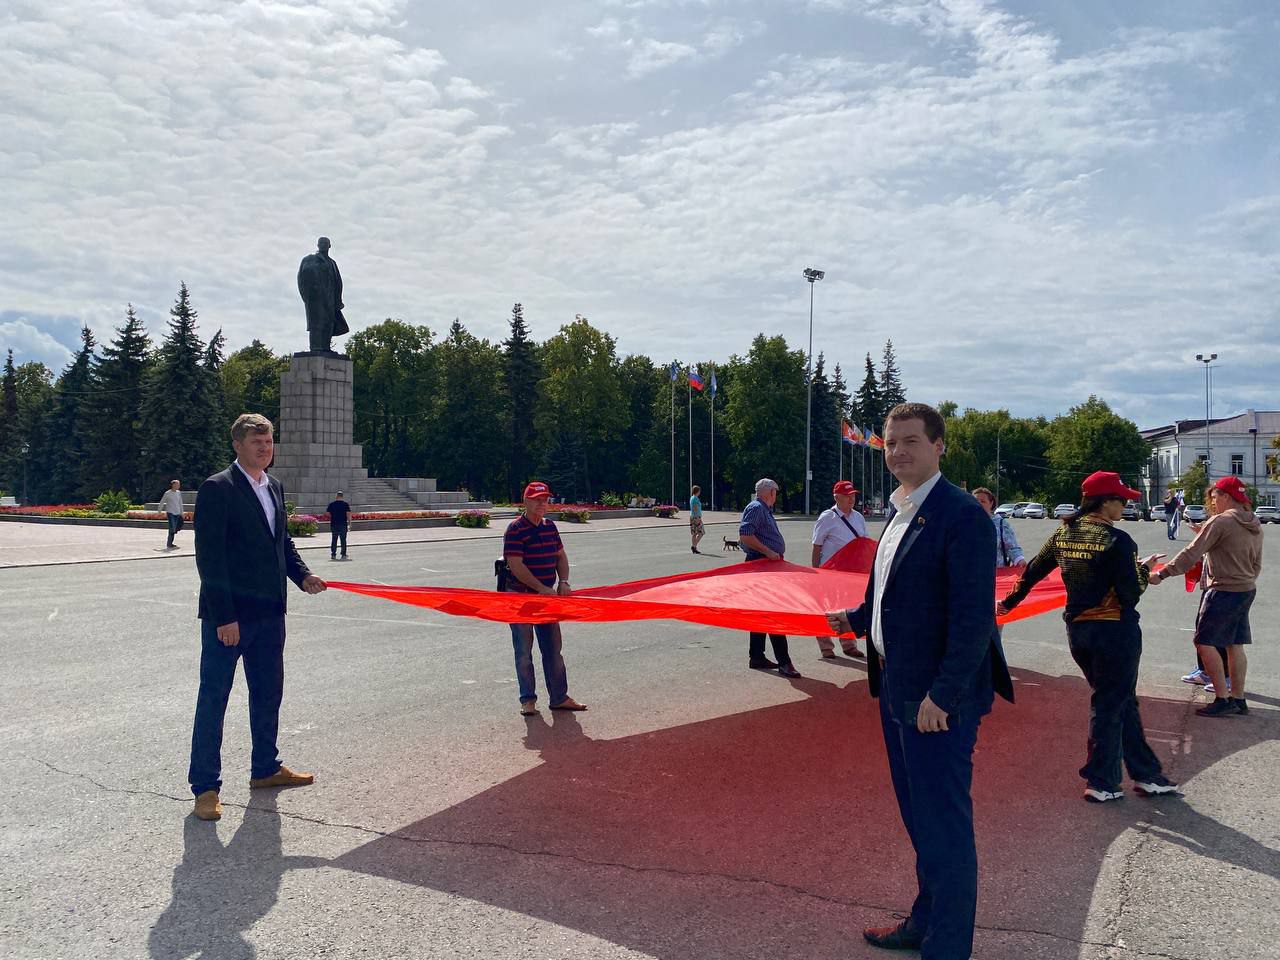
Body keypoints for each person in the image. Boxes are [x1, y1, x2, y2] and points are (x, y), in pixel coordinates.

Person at [826, 403, 1012, 960]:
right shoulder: (900, 510)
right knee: (920, 818)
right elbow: (895, 590)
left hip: (936, 702)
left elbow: (973, 619)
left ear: (939, 447)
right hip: (896, 688)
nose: (898, 452)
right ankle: (925, 921)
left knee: (945, 826)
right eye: (890, 443)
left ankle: (948, 947)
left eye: (911, 441)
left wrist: (943, 696)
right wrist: (858, 621)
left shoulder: (962, 516)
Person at [999, 471, 1176, 804]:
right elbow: (1130, 592)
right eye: (1121, 499)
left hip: (1079, 632)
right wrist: (1142, 572)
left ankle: (1147, 774)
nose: (1124, 505)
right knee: (1110, 703)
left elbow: (1031, 572)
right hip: (1115, 631)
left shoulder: (1064, 532)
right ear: (1104, 501)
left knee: (1120, 699)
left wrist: (1007, 604)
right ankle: (1102, 781)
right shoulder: (1118, 540)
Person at [189, 413, 327, 822]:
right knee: (213, 700)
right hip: (229, 619)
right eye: (256, 442)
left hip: (270, 614)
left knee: (268, 694)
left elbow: (280, 540)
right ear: (238, 445)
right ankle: (205, 787)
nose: (265, 448)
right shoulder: (218, 488)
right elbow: (210, 558)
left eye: (268, 442)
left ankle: (265, 768)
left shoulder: (274, 486)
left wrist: (302, 576)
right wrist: (225, 616)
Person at [1149, 476, 1263, 717]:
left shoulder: (1221, 521)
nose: (1213, 503)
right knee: (1234, 644)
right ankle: (1238, 698)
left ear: (1225, 496)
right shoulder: (1253, 521)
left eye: (1215, 498)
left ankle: (1222, 698)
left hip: (1223, 589)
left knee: (1204, 642)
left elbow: (1193, 551)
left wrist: (1163, 573)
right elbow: (1254, 560)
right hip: (1245, 587)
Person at [503, 481, 587, 717]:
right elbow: (516, 565)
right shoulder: (515, 529)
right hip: (520, 597)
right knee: (523, 650)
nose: (542, 503)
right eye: (537, 499)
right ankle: (528, 700)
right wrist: (540, 587)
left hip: (546, 596)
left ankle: (559, 697)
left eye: (545, 499)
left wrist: (564, 581)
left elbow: (560, 556)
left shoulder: (550, 527)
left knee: (553, 649)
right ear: (526, 502)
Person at [739, 478, 800, 678]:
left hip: (765, 563)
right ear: (770, 492)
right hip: (761, 563)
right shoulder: (757, 508)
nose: (777, 496)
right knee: (774, 612)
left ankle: (756, 655)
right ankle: (784, 661)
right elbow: (745, 535)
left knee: (761, 612)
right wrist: (768, 551)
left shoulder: (762, 509)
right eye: (776, 492)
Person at [811, 480, 867, 658]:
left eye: (853, 496)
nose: (851, 500)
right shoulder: (828, 517)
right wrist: (816, 571)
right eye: (847, 496)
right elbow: (817, 545)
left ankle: (849, 645)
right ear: (837, 498)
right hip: (830, 572)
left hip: (851, 572)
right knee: (826, 608)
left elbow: (863, 544)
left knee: (849, 608)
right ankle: (826, 648)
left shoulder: (858, 517)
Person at [296, 236, 349, 354]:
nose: (323, 244)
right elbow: (301, 278)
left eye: (325, 243)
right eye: (321, 243)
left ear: (330, 246)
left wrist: (338, 300)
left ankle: (326, 347)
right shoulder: (310, 259)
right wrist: (308, 296)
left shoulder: (332, 263)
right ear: (317, 245)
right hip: (316, 298)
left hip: (330, 299)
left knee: (329, 323)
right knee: (317, 323)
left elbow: (338, 282)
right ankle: (315, 348)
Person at [972, 486, 1025, 571]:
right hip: (970, 575)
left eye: (983, 501)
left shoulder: (1001, 524)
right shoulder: (964, 523)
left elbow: (1012, 548)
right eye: (975, 501)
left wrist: (1019, 560)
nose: (978, 504)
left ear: (991, 503)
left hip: (996, 574)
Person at [160, 480, 185, 549]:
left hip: (177, 512)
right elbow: (162, 502)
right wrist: (159, 511)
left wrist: (182, 513)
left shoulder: (178, 493)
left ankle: (170, 543)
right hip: (170, 512)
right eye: (177, 484)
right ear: (173, 485)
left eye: (179, 484)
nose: (179, 486)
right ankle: (169, 543)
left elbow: (180, 503)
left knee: (174, 529)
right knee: (172, 528)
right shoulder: (167, 493)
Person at [327, 490, 351, 560]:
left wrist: (333, 516)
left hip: (334, 524)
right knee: (343, 540)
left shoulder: (332, 504)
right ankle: (343, 554)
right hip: (343, 524)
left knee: (334, 539)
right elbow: (348, 514)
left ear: (336, 496)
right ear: (342, 497)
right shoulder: (345, 504)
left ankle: (333, 554)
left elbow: (328, 513)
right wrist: (350, 523)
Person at [688, 484, 705, 553]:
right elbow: (695, 507)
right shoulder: (695, 498)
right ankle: (694, 546)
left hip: (692, 517)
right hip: (696, 517)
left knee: (694, 533)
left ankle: (694, 547)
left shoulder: (692, 497)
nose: (700, 492)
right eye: (699, 491)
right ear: (697, 491)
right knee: (701, 532)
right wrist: (698, 517)